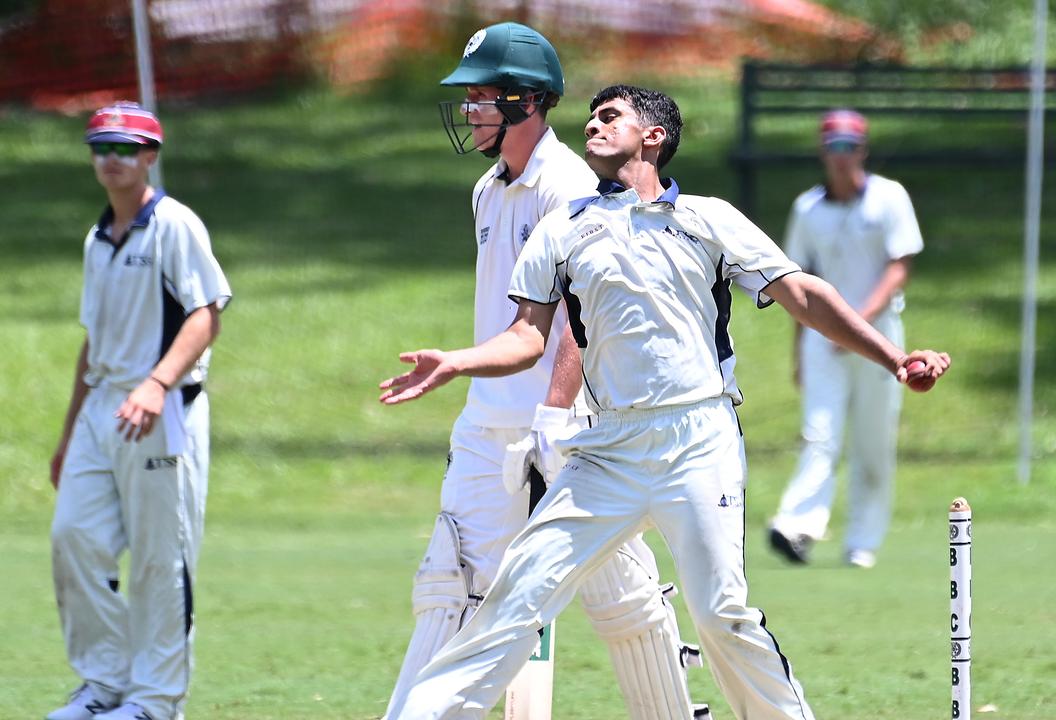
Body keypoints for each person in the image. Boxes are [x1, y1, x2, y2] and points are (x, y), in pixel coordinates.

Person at [378, 84, 950, 720]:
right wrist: (456, 361)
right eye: (592, 116)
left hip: (697, 441)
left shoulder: (708, 218)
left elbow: (804, 295)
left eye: (610, 116)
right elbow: (527, 337)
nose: (592, 125)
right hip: (606, 453)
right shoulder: (562, 227)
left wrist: (894, 359)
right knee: (514, 599)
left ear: (653, 137)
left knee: (721, 616)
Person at [382, 24, 706, 720]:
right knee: (451, 588)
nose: (469, 111)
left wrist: (555, 419)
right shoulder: (488, 189)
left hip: (571, 431)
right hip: (490, 424)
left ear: (527, 102)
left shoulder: (570, 188)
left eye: (481, 97)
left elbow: (580, 320)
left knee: (623, 602)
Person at [46, 102, 232, 720]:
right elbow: (92, 342)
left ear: (150, 155)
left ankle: (154, 702)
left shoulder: (175, 224)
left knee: (161, 558)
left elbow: (207, 314)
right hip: (102, 410)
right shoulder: (97, 239)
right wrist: (68, 433)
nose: (111, 159)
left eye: (125, 148)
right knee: (73, 538)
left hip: (162, 409)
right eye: (101, 147)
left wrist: (155, 382)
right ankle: (104, 684)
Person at [766, 109, 924, 569]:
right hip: (822, 341)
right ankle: (795, 527)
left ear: (863, 150)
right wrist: (799, 348)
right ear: (822, 152)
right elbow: (796, 281)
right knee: (820, 435)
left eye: (849, 147)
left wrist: (857, 319)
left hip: (881, 340)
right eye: (833, 147)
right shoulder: (807, 209)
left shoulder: (889, 198)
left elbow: (900, 266)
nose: (841, 157)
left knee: (872, 442)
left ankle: (862, 541)